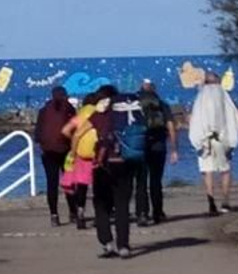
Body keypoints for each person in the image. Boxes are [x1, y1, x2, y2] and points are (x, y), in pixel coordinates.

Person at [88, 85, 135, 258]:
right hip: (126, 162)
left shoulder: (99, 116)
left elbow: (83, 133)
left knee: (101, 205)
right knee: (122, 206)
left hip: (103, 164)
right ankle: (123, 245)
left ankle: (107, 242)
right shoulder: (126, 114)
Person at [188, 71, 238, 215]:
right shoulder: (224, 96)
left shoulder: (201, 97)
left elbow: (195, 120)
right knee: (225, 170)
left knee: (207, 171)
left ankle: (211, 201)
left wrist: (197, 142)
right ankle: (225, 201)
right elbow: (233, 118)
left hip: (205, 139)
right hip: (223, 139)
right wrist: (232, 141)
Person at [132, 78, 179, 225]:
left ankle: (142, 213)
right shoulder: (162, 105)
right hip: (159, 146)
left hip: (140, 146)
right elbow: (171, 126)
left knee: (140, 181)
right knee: (156, 180)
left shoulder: (135, 105)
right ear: (154, 89)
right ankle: (158, 212)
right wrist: (174, 149)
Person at [59, 91, 103, 230]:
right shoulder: (100, 114)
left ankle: (80, 212)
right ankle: (100, 215)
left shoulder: (80, 114)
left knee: (82, 186)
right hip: (98, 154)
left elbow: (65, 131)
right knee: (99, 187)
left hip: (82, 154)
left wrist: (74, 143)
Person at [35, 86, 77, 225]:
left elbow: (38, 134)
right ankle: (73, 212)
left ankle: (54, 215)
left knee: (51, 184)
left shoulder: (43, 111)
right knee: (69, 182)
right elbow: (75, 129)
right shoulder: (70, 109)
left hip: (48, 152)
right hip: (66, 150)